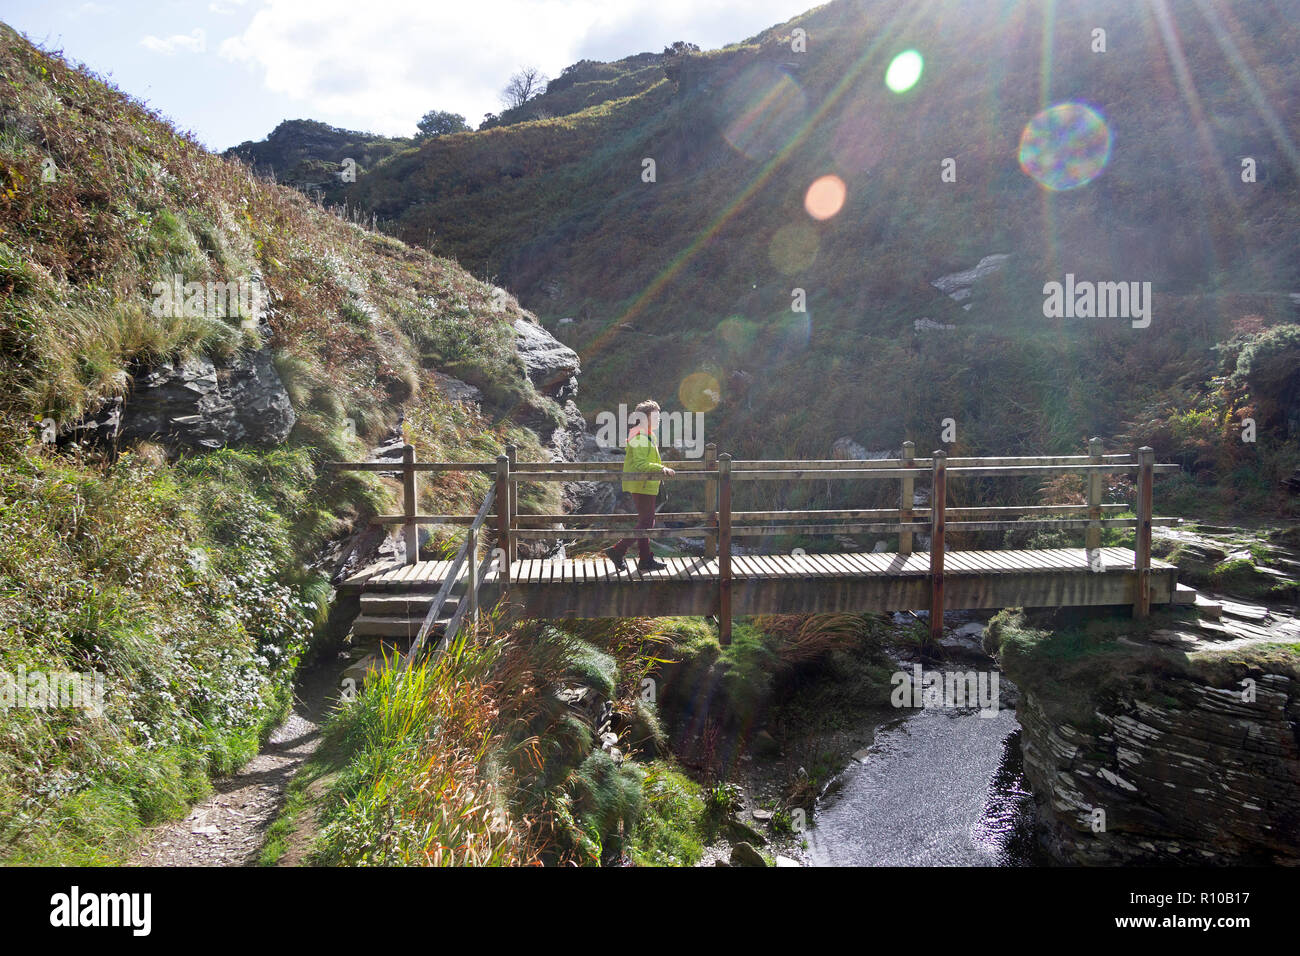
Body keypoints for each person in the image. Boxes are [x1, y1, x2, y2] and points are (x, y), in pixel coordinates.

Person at [606, 399, 675, 572]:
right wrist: (661, 468)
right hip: (641, 483)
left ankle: (644, 559)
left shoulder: (647, 435)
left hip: (646, 483)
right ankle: (618, 551)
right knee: (646, 522)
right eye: (656, 416)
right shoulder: (639, 436)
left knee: (647, 522)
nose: (659, 419)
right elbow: (640, 463)